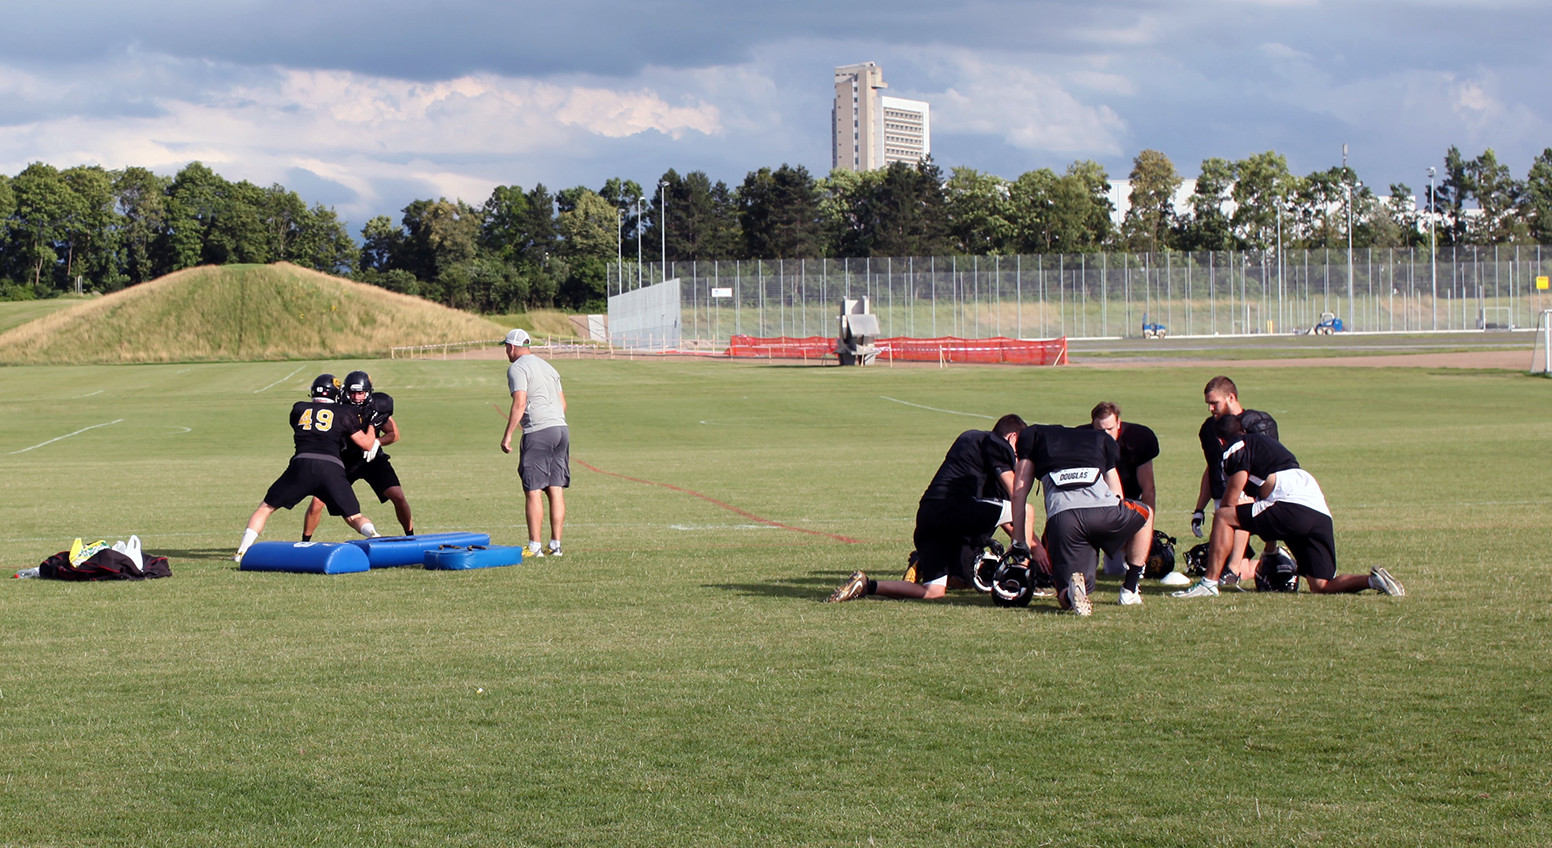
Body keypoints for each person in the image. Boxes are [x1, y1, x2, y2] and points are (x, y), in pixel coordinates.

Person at [1173, 414, 1404, 598]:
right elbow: (1268, 506)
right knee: (1321, 585)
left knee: (1224, 516)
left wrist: (1224, 520)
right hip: (1318, 510)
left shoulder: (1235, 447)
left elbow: (1232, 500)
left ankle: (1209, 584)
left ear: (1221, 440)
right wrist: (1269, 548)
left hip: (1291, 506)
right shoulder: (1273, 449)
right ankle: (1373, 581)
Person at [826, 414, 1025, 603]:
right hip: (952, 512)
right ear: (1012, 437)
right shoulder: (996, 449)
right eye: (1018, 452)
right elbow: (1011, 514)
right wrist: (1034, 553)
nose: (1018, 459)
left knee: (934, 592)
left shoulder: (969, 439)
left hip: (930, 517)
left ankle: (867, 585)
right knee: (1027, 512)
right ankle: (1024, 569)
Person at [1009, 422, 1155, 616]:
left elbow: (1019, 493)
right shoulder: (1101, 439)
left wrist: (1019, 543)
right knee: (1145, 514)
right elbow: (1116, 493)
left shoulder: (1033, 436)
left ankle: (1071, 594)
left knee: (1066, 591)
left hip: (1065, 520)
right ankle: (1129, 589)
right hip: (1105, 514)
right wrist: (1117, 533)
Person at [235, 374, 380, 562]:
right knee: (354, 517)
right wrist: (373, 424)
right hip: (331, 467)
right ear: (337, 393)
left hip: (301, 464)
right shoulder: (344, 412)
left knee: (266, 508)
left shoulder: (299, 408)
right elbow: (367, 445)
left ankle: (242, 551)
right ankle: (376, 539)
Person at [301, 370, 414, 539]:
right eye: (353, 393)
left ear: (368, 392)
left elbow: (394, 434)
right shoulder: (338, 408)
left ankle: (410, 536)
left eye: (361, 393)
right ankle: (304, 541)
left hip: (372, 459)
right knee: (317, 503)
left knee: (398, 496)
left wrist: (377, 442)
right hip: (343, 461)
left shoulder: (376, 406)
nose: (357, 397)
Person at [1191, 376, 1278, 584]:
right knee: (1223, 566)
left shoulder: (1259, 423)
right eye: (1208, 404)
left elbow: (1269, 468)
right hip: (1225, 497)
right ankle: (1266, 565)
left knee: (1239, 501)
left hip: (1254, 497)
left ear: (1231, 397)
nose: (1211, 409)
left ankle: (1246, 562)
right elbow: (1212, 468)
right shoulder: (1208, 429)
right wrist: (1199, 509)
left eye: (1214, 403)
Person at [499, 329, 569, 558]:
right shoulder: (549, 367)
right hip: (561, 429)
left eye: (506, 347)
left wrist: (508, 434)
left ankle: (535, 546)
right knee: (555, 488)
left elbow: (520, 401)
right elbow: (563, 403)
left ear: (512, 347)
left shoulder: (517, 368)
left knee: (533, 489)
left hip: (539, 431)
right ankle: (556, 545)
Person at [1086, 401, 1159, 578]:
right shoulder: (1083, 439)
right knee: (1110, 570)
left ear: (1119, 424)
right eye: (1099, 431)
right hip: (1094, 505)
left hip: (1129, 504)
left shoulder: (1138, 438)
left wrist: (1147, 527)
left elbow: (1148, 488)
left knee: (1118, 570)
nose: (1105, 435)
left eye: (1109, 429)